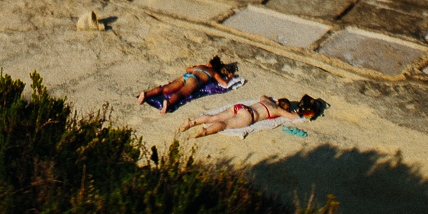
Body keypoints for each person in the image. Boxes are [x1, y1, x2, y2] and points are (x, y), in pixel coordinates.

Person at [179, 94, 325, 137]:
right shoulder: (278, 110)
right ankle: (205, 131)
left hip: (240, 107)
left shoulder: (268, 102)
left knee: (214, 116)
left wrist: (271, 99)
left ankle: (191, 122)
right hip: (249, 115)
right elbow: (295, 118)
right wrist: (293, 113)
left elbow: (262, 96)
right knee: (225, 125)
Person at [136, 56, 241, 113]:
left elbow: (187, 69)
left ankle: (146, 94)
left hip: (186, 76)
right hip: (195, 81)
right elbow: (224, 84)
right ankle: (168, 103)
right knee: (181, 94)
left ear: (209, 64)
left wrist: (196, 68)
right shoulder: (213, 73)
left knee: (166, 89)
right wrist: (230, 78)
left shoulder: (200, 66)